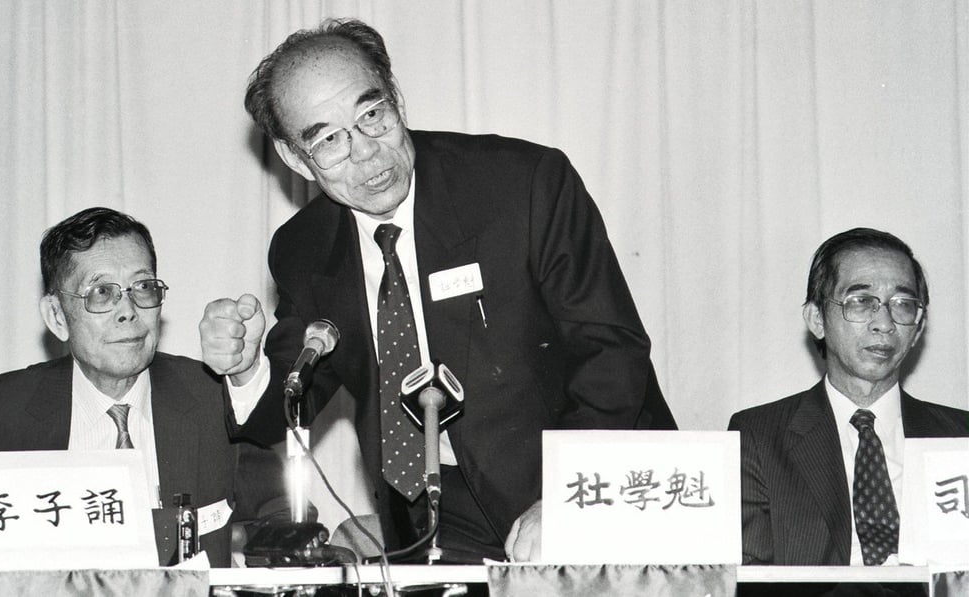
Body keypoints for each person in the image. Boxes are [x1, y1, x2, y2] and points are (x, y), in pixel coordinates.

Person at [200, 18, 675, 563]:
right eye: (330, 140)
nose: (367, 154)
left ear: (396, 99)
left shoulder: (521, 184)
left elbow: (611, 353)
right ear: (293, 158)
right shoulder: (303, 248)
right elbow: (291, 398)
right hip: (432, 513)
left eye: (372, 115)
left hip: (588, 484)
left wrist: (567, 497)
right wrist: (243, 368)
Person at [0, 207, 262, 567]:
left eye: (143, 287)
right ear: (57, 316)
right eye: (101, 292)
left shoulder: (216, 400)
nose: (128, 310)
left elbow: (283, 520)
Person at [729, 228, 969, 566]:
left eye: (903, 305)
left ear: (918, 328)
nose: (884, 323)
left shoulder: (960, 437)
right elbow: (751, 577)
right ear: (817, 319)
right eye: (862, 302)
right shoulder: (759, 436)